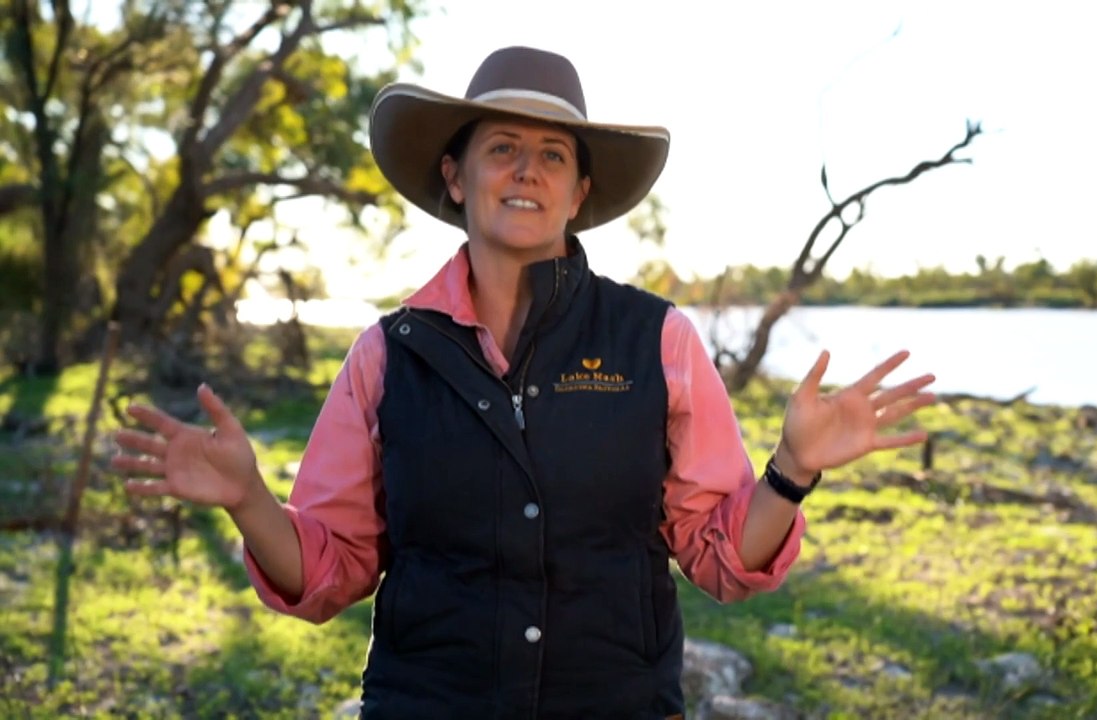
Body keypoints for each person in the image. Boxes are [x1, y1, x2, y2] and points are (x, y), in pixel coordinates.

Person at [112, 46, 937, 718]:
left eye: (552, 156)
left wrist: (791, 472)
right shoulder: (385, 356)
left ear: (579, 194)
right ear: (455, 177)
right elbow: (331, 571)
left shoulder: (659, 340)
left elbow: (720, 559)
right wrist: (250, 498)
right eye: (501, 148)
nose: (526, 170)